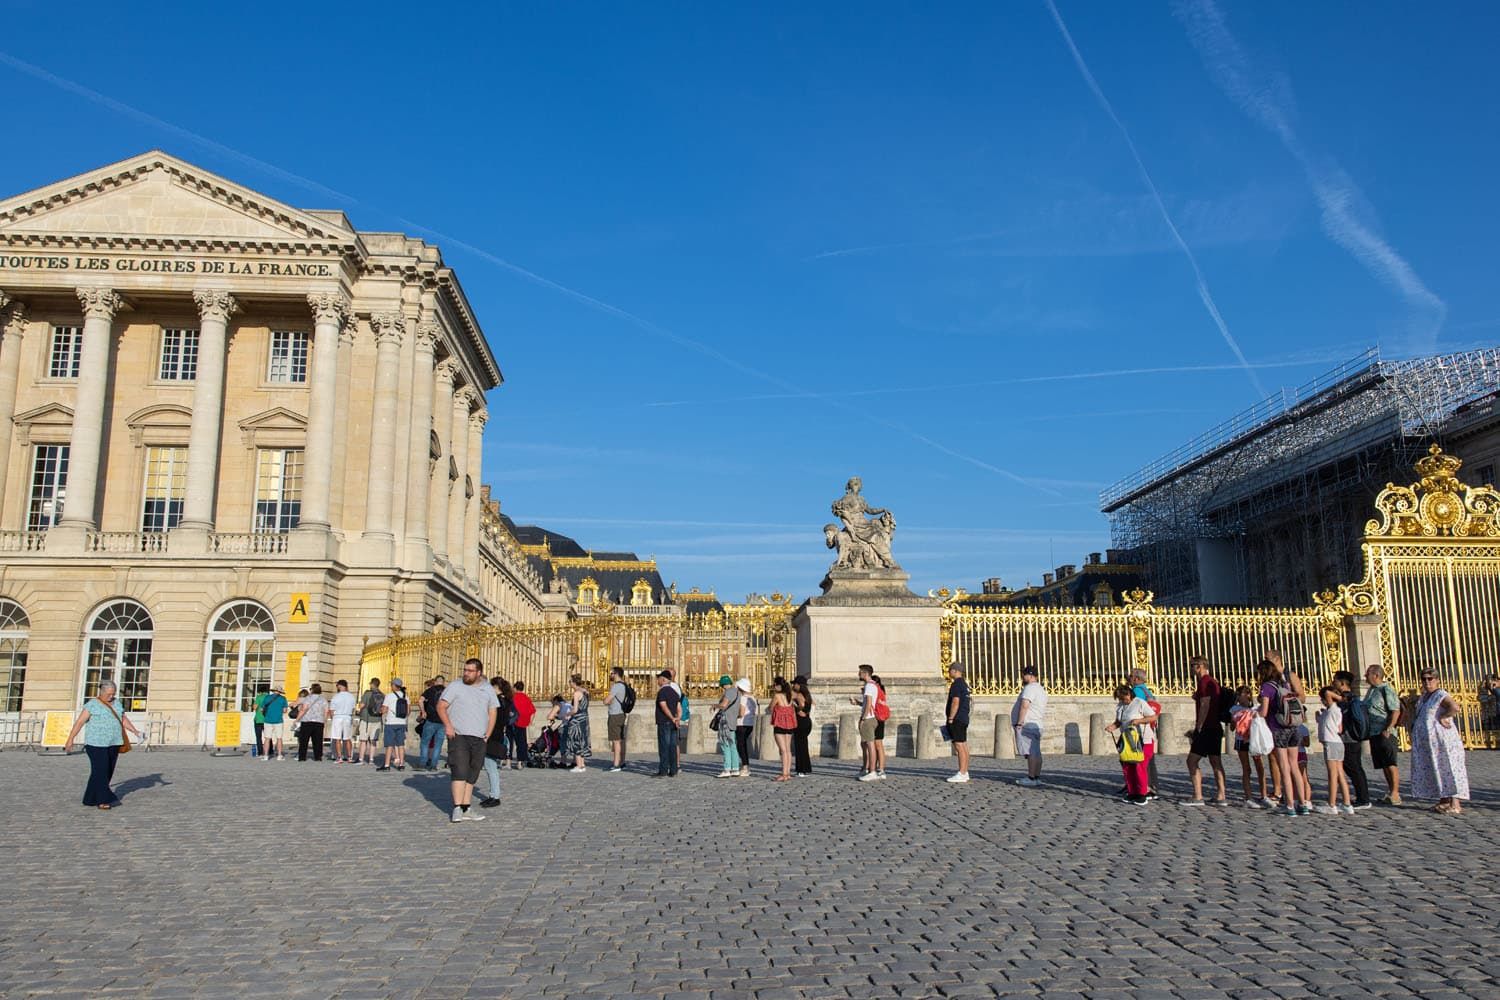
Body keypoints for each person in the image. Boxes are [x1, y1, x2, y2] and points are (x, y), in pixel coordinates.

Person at [64, 678, 144, 809]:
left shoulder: (117, 703)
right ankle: (103, 799)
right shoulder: (92, 704)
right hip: (96, 744)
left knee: (107, 771)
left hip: (114, 742)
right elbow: (79, 722)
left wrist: (135, 731)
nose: (111, 696)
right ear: (102, 692)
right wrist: (70, 738)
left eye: (113, 694)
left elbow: (122, 719)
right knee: (100, 770)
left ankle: (90, 798)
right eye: (109, 694)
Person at [438, 657, 500, 822]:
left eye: (470, 671)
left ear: (478, 672)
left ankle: (466, 807)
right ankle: (457, 808)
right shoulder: (455, 686)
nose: (466, 673)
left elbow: (493, 711)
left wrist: (488, 733)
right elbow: (441, 706)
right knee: (459, 769)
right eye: (465, 670)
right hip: (459, 735)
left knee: (473, 772)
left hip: (479, 737)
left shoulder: (487, 689)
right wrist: (448, 726)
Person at [1409, 669, 1470, 815]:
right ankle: (1444, 800)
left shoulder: (1440, 694)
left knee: (1449, 767)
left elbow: (1454, 707)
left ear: (1437, 680)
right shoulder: (1424, 696)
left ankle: (1455, 803)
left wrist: (1444, 717)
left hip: (1443, 741)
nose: (1427, 682)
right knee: (1437, 768)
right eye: (1424, 679)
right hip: (1431, 744)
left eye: (1430, 679)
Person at [1258, 653, 1308, 816]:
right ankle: (1303, 803)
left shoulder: (1267, 687)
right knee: (1294, 766)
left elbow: (1264, 712)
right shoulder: (1284, 683)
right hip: (1293, 727)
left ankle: (1289, 806)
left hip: (1279, 728)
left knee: (1284, 767)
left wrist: (1252, 715)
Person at [1183, 655, 1227, 805]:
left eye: (1192, 666)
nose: (1191, 669)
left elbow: (1205, 705)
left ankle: (1197, 795)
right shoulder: (1213, 682)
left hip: (1207, 728)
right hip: (1215, 727)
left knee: (1191, 761)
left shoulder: (1204, 682)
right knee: (1216, 762)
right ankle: (1221, 795)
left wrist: (1198, 726)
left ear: (1199, 666)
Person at [1105, 684, 1156, 805]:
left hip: (1143, 740)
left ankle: (1142, 793)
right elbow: (1119, 722)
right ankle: (1132, 791)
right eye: (1120, 699)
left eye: (1123, 698)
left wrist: (1139, 721)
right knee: (1127, 766)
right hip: (1127, 740)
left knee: (1139, 766)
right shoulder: (1120, 706)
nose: (1122, 700)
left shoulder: (1140, 703)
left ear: (1129, 694)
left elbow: (1153, 717)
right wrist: (1112, 727)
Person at [1332, 670, 1372, 809]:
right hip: (1353, 738)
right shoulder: (1351, 698)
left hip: (1349, 738)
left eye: (1335, 680)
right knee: (1355, 768)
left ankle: (1363, 798)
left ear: (1342, 683)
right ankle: (1362, 796)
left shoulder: (1346, 699)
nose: (1333, 682)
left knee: (1354, 768)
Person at [1364, 664, 1402, 804]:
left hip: (1385, 731)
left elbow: (1395, 710)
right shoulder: (1372, 690)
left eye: (1367, 674)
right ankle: (1390, 791)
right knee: (1383, 764)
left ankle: (1396, 793)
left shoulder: (1386, 690)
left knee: (1390, 762)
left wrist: (1389, 727)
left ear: (1376, 675)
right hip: (1374, 732)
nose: (1365, 677)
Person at [1230, 685, 1270, 807]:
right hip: (1241, 739)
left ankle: (1264, 795)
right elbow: (1232, 727)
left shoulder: (1256, 708)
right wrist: (1236, 719)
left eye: (1243, 694)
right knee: (1246, 768)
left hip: (1254, 739)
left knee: (1260, 766)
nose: (1241, 697)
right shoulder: (1234, 709)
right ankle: (1248, 797)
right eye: (1239, 694)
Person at [1314, 686, 1351, 816]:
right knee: (1340, 774)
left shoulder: (1334, 708)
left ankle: (1332, 804)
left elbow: (1327, 693)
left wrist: (1340, 698)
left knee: (1332, 775)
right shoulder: (1333, 711)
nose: (1322, 701)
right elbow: (1339, 729)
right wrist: (1320, 718)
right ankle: (1347, 803)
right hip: (1338, 743)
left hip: (1331, 743)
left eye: (1322, 699)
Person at [1012, 665, 1047, 787]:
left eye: (1024, 674)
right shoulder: (1041, 689)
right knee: (1036, 752)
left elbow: (1025, 705)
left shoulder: (1030, 689)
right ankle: (1036, 776)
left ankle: (1031, 777)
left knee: (1031, 752)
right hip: (1037, 724)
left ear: (1031, 676)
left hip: (1028, 724)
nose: (1022, 676)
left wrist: (1020, 722)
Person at [1128, 667, 1160, 798]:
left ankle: (1144, 787)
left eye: (1130, 676)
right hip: (1149, 728)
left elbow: (1136, 708)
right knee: (1149, 758)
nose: (1128, 678)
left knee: (1141, 759)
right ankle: (1152, 785)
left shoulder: (1136, 691)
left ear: (1136, 679)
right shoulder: (1147, 690)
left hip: (1141, 727)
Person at [477, 677, 507, 808]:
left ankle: (495, 796)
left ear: (496, 687)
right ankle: (493, 795)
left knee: (491, 767)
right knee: (491, 767)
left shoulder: (497, 701)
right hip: (496, 735)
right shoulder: (505, 700)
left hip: (492, 736)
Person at [850, 664, 881, 782]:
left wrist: (863, 719)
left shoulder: (869, 686)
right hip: (871, 717)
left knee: (870, 745)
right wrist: (858, 703)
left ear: (865, 673)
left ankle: (872, 771)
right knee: (867, 744)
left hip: (868, 719)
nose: (858, 674)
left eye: (860, 672)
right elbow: (867, 703)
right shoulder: (873, 685)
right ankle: (867, 768)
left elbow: (868, 703)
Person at [945, 662, 972, 783]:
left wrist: (951, 717)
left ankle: (961, 772)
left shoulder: (956, 684)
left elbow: (955, 701)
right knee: (963, 745)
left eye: (950, 670)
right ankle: (965, 771)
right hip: (964, 717)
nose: (949, 672)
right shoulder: (964, 684)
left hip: (957, 718)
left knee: (959, 745)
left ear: (955, 671)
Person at [653, 671, 682, 777]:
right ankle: (673, 770)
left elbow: (663, 706)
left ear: (664, 679)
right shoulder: (674, 692)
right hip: (673, 723)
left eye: (659, 678)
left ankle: (663, 770)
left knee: (664, 746)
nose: (657, 680)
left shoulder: (662, 692)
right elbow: (679, 707)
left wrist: (672, 718)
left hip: (664, 722)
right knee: (672, 746)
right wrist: (677, 718)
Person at [377, 678, 410, 772]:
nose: (391, 686)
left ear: (394, 686)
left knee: (389, 745)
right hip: (402, 723)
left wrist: (381, 711)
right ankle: (401, 764)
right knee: (401, 744)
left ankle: (387, 765)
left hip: (391, 723)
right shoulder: (405, 696)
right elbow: (408, 711)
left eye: (391, 684)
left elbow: (384, 710)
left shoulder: (389, 696)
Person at [416, 675, 447, 771]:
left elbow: (420, 700)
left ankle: (422, 764)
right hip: (442, 721)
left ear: (435, 682)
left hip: (430, 720)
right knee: (438, 744)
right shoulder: (447, 691)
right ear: (443, 682)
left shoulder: (430, 690)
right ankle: (434, 765)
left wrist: (423, 711)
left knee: (425, 742)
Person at [714, 675, 742, 778]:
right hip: (733, 720)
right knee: (732, 745)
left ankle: (727, 769)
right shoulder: (737, 692)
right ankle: (735, 768)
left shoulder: (729, 692)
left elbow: (724, 705)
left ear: (723, 684)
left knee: (725, 744)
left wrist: (715, 706)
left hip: (726, 720)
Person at [563, 674, 592, 772]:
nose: (569, 684)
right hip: (584, 718)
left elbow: (575, 709)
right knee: (582, 740)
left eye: (570, 682)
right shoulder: (585, 692)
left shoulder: (576, 693)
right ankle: (582, 764)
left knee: (575, 740)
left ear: (574, 683)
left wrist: (568, 714)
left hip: (577, 720)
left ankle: (579, 765)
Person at [769, 677, 796, 782]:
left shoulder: (777, 696)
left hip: (780, 724)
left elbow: (770, 707)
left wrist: (773, 708)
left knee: (783, 750)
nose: (774, 687)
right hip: (789, 724)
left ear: (778, 685)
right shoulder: (790, 696)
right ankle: (788, 773)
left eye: (775, 685)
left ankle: (784, 774)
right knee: (788, 750)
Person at [295, 683, 329, 762]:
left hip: (307, 721)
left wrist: (297, 719)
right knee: (318, 740)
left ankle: (302, 757)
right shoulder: (323, 699)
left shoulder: (308, 698)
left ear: (312, 690)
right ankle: (318, 757)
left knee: (304, 740)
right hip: (319, 722)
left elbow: (304, 709)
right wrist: (325, 720)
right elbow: (326, 711)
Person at [606, 667, 630, 773]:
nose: (610, 675)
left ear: (616, 674)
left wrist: (605, 700)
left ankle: (616, 764)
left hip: (615, 714)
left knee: (616, 740)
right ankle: (622, 761)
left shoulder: (616, 686)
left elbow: (607, 700)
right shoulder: (625, 685)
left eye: (611, 673)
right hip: (622, 714)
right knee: (621, 739)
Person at [328, 679, 356, 763]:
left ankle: (339, 757)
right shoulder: (351, 696)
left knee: (337, 738)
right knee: (347, 738)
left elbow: (332, 710)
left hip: (337, 717)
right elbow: (353, 709)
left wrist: (332, 717)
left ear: (339, 686)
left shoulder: (336, 696)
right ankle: (349, 757)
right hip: (347, 717)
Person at [357, 678, 384, 765]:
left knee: (363, 740)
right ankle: (371, 760)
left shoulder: (367, 694)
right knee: (373, 740)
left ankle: (361, 759)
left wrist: (358, 710)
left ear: (372, 684)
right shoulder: (382, 695)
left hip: (366, 719)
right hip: (377, 720)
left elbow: (362, 705)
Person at [791, 676, 814, 776]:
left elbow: (801, 708)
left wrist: (795, 706)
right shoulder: (808, 695)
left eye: (795, 684)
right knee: (803, 745)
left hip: (800, 721)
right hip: (807, 721)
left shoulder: (799, 695)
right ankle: (805, 768)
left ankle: (801, 769)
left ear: (799, 685)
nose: (793, 685)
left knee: (799, 746)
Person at [510, 680, 536, 769]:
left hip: (514, 722)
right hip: (524, 723)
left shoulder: (513, 697)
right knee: (522, 742)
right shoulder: (526, 698)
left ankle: (508, 760)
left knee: (511, 742)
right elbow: (533, 710)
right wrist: (530, 721)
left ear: (515, 688)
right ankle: (520, 761)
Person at [735, 678, 757, 778]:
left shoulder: (743, 698)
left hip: (741, 724)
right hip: (750, 723)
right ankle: (745, 765)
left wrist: (734, 716)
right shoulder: (752, 698)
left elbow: (741, 713)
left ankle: (745, 766)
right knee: (743, 745)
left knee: (740, 745)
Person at [261, 685, 289, 761]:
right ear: (280, 692)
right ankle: (279, 755)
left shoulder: (267, 698)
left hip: (267, 720)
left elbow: (261, 709)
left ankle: (266, 755)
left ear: (273, 690)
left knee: (267, 738)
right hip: (278, 721)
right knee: (279, 738)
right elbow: (285, 710)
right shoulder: (283, 699)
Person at [250, 684, 270, 758]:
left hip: (258, 719)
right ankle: (270, 751)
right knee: (268, 736)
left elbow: (255, 707)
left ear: (260, 691)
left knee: (258, 737)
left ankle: (261, 752)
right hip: (267, 719)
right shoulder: (269, 697)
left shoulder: (259, 697)